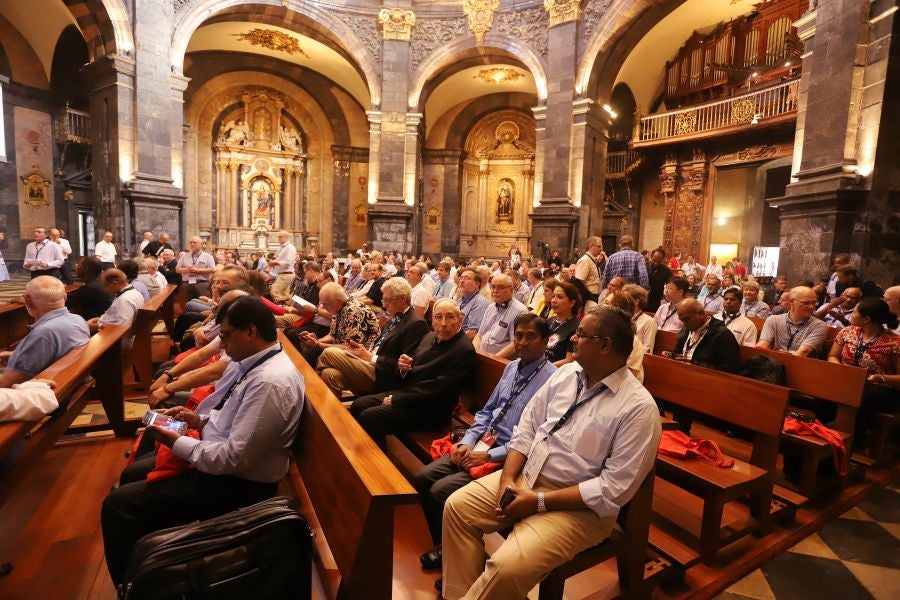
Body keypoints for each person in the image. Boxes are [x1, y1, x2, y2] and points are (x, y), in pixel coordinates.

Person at [439, 306, 661, 599]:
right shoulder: (566, 374)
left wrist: (538, 501)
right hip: (525, 478)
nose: (572, 339)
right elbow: (527, 428)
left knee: (507, 568)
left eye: (581, 335)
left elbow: (612, 489)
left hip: (578, 509)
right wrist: (507, 479)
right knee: (457, 508)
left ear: (605, 345)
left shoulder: (638, 409)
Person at [101, 296, 303, 586]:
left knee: (118, 506)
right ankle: (155, 569)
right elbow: (232, 420)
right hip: (223, 462)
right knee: (133, 473)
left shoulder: (270, 381)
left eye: (225, 335)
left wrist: (176, 442)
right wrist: (197, 421)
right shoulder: (252, 361)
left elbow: (234, 458)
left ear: (250, 331)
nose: (221, 343)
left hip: (239, 484)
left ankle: (133, 586)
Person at [415, 313, 557, 570]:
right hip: (481, 443)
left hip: (509, 457)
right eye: (519, 336)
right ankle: (447, 547)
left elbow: (536, 438)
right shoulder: (512, 367)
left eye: (531, 336)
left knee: (441, 491)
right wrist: (467, 442)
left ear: (545, 341)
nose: (523, 342)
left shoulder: (552, 380)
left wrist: (489, 455)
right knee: (423, 478)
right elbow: (488, 411)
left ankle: (460, 555)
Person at [349, 299, 475, 447]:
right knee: (358, 404)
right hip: (410, 396)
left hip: (431, 409)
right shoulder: (429, 337)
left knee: (370, 417)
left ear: (460, 319)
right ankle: (371, 450)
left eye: (450, 317)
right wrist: (403, 367)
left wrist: (397, 398)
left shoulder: (464, 350)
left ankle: (377, 461)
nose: (443, 323)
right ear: (432, 319)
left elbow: (438, 387)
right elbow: (411, 365)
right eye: (438, 317)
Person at [317, 278, 427, 398]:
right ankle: (332, 414)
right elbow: (378, 343)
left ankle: (308, 389)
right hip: (369, 361)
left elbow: (406, 366)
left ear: (403, 298)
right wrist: (364, 351)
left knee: (329, 352)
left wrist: (371, 357)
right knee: (329, 374)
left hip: (382, 374)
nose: (384, 305)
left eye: (388, 300)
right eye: (383, 299)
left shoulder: (416, 323)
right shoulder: (393, 316)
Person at [827, 298, 899, 445]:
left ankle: (853, 440)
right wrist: (841, 368)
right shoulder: (847, 332)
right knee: (824, 392)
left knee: (859, 397)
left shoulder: (894, 342)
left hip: (881, 388)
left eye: (854, 312)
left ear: (866, 319)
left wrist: (881, 378)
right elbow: (832, 356)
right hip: (849, 380)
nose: (851, 315)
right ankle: (826, 432)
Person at [0, 277, 90, 388]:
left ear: (27, 300)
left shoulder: (43, 334)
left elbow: (6, 384)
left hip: (39, 396)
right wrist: (15, 355)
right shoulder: (78, 320)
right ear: (65, 298)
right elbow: (54, 352)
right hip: (69, 383)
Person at [289, 282, 379, 366]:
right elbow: (332, 335)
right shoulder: (339, 308)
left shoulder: (353, 312)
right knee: (309, 349)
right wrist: (315, 341)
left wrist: (318, 345)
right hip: (345, 348)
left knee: (313, 353)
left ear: (339, 301)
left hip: (363, 356)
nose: (323, 307)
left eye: (325, 304)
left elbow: (350, 348)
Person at [757, 286, 830, 357]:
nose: (811, 306)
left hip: (801, 365)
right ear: (791, 302)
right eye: (806, 303)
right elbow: (762, 345)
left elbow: (803, 352)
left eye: (814, 302)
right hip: (773, 365)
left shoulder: (819, 325)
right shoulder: (773, 320)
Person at [473, 274, 529, 358]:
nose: (495, 291)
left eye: (500, 287)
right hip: (482, 357)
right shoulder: (490, 307)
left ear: (511, 289)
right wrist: (475, 353)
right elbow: (479, 335)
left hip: (500, 362)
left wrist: (492, 360)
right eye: (493, 287)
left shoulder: (520, 311)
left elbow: (515, 344)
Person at [87, 269, 145, 349]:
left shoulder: (125, 300)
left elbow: (122, 328)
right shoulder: (135, 292)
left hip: (114, 341)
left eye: (105, 286)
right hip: (110, 332)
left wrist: (98, 326)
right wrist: (100, 319)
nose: (106, 289)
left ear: (114, 283)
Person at [543, 281, 581, 365]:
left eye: (559, 297)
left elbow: (569, 360)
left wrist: (542, 368)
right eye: (553, 296)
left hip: (556, 373)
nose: (553, 300)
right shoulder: (549, 321)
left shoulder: (577, 327)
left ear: (572, 303)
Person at [176, 236, 216, 301]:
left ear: (201, 244)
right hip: (187, 284)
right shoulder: (184, 256)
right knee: (187, 304)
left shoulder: (208, 256)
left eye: (195, 242)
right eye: (191, 242)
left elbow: (212, 269)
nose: (192, 244)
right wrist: (187, 270)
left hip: (202, 284)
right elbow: (177, 269)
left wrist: (198, 270)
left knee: (203, 304)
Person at [623, 284, 657, 354]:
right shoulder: (620, 316)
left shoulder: (649, 321)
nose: (622, 300)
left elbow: (647, 350)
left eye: (625, 298)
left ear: (636, 301)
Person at [268, 231, 298, 302]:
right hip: (283, 274)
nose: (278, 239)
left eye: (280, 237)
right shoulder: (281, 248)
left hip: (286, 274)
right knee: (284, 294)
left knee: (275, 291)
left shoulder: (290, 248)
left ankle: (280, 308)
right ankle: (286, 308)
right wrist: (273, 262)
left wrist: (275, 263)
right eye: (278, 237)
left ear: (286, 237)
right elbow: (278, 258)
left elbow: (288, 262)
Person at [573, 236, 605, 300]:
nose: (601, 249)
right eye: (599, 246)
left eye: (601, 246)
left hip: (594, 296)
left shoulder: (593, 260)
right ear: (591, 246)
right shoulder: (585, 260)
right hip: (588, 297)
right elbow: (579, 283)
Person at [646, 248, 673, 312]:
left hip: (655, 300)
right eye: (654, 260)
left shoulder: (666, 270)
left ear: (663, 260)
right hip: (642, 298)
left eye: (659, 262)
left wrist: (668, 292)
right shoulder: (643, 266)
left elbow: (671, 283)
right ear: (651, 256)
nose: (656, 263)